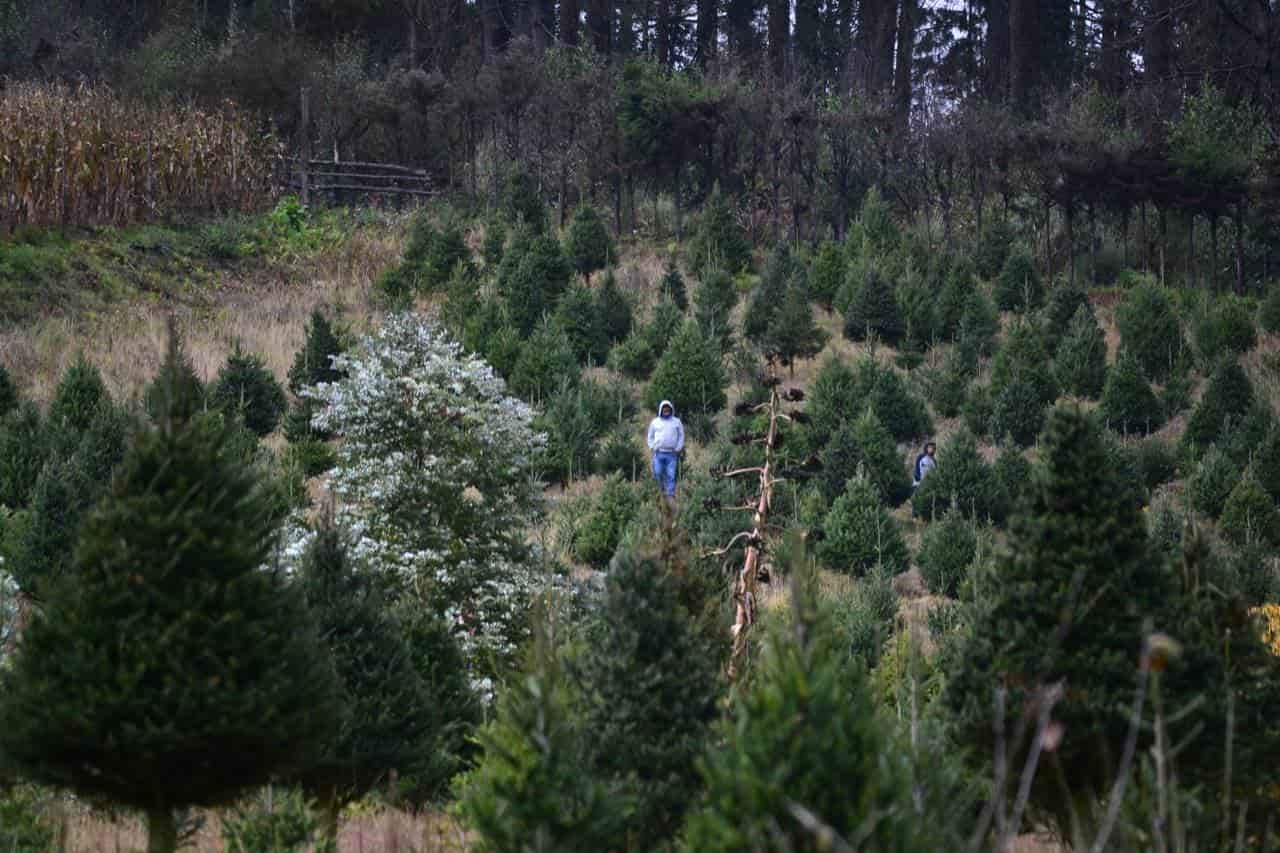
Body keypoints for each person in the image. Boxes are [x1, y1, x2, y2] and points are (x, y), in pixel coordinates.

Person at [647, 399, 685, 500]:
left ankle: (670, 495)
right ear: (661, 410)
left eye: (668, 409)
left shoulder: (676, 422)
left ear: (671, 409)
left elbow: (681, 436)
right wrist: (652, 447)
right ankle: (659, 493)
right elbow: (650, 436)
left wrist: (678, 448)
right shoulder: (655, 422)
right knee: (658, 473)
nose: (666, 410)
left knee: (671, 475)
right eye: (664, 409)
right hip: (658, 453)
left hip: (672, 454)